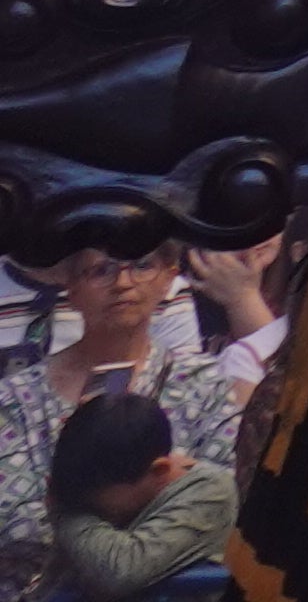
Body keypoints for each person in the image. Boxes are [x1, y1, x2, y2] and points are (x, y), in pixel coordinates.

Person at [0, 253, 245, 602]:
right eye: (101, 270)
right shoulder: (15, 399)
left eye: (143, 266)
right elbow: (15, 522)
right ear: (71, 286)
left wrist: (72, 511)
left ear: (168, 278)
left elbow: (218, 507)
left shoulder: (202, 384)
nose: (123, 283)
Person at [37, 392, 227, 598]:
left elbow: (122, 571)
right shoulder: (120, 481)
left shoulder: (209, 491)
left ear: (159, 470)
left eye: (96, 505)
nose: (89, 512)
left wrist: (63, 513)